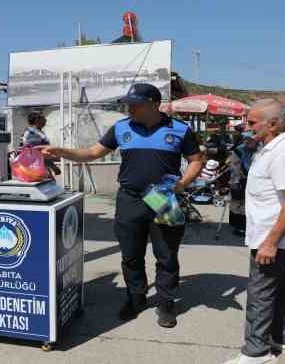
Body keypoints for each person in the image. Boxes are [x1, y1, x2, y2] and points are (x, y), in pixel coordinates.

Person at [41, 83, 203, 328]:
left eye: (135, 104)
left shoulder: (179, 129)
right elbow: (92, 153)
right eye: (128, 103)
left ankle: (166, 303)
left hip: (163, 199)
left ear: (154, 104)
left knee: (167, 255)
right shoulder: (121, 128)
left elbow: (196, 160)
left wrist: (182, 183)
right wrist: (61, 151)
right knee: (130, 255)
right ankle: (136, 298)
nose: (129, 108)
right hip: (130, 198)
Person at [224, 99, 285, 364]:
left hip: (271, 238)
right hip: (271, 235)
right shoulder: (270, 148)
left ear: (272, 124)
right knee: (280, 289)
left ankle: (256, 352)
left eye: (251, 122)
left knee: (260, 295)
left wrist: (271, 242)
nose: (246, 127)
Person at [228, 132, 258, 236]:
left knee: (252, 205)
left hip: (256, 181)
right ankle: (239, 227)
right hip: (241, 180)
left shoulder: (261, 149)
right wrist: (235, 181)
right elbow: (234, 166)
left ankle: (251, 226)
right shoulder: (239, 150)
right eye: (246, 140)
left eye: (250, 140)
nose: (247, 142)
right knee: (239, 204)